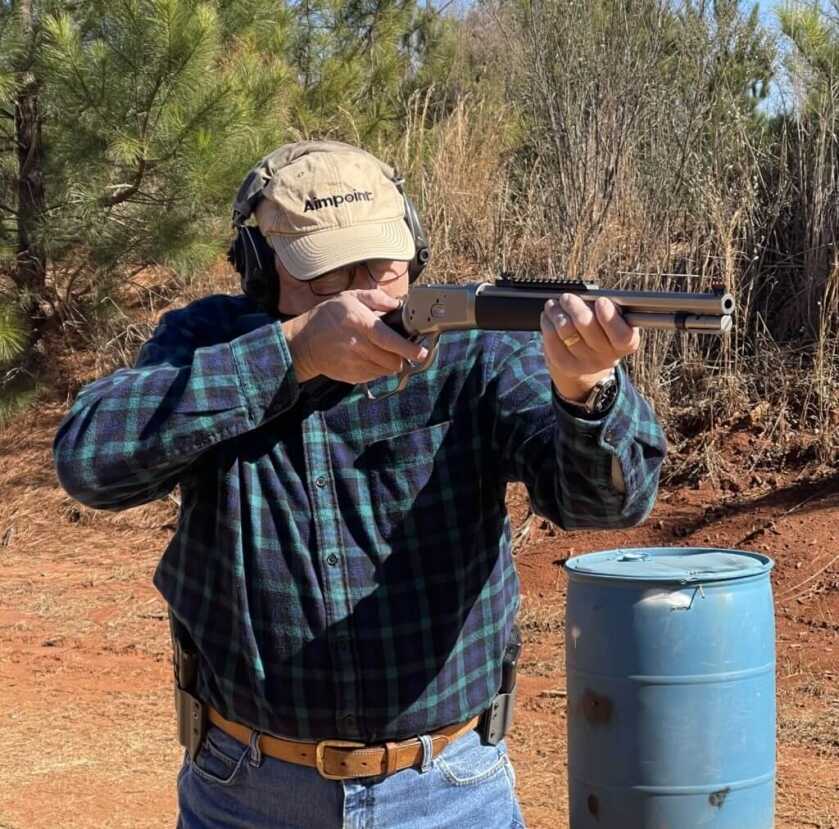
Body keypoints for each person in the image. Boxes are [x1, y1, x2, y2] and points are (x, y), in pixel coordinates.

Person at [53, 140, 666, 828]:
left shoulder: (474, 347)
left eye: (381, 264)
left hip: (449, 790)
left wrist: (585, 390)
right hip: (244, 790)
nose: (362, 291)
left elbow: (608, 500)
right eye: (327, 273)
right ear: (261, 267)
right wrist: (291, 353)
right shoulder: (210, 341)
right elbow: (90, 461)